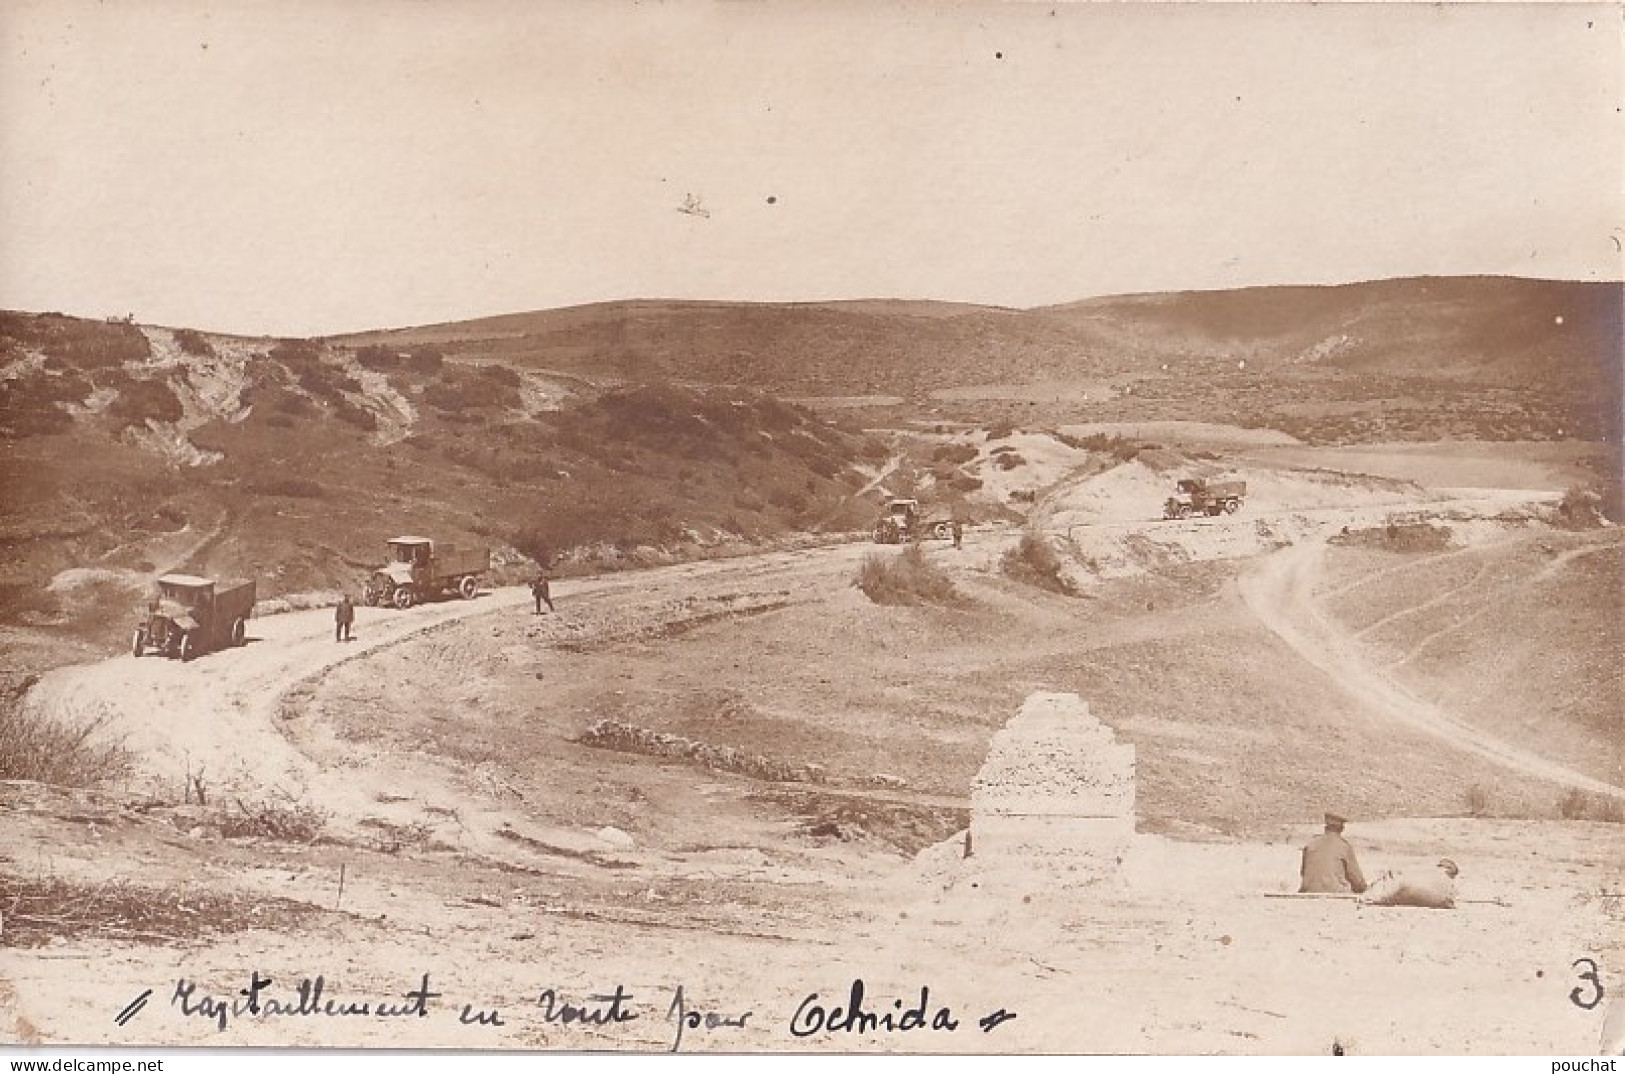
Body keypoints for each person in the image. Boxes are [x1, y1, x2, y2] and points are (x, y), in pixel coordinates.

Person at [1299, 811, 1368, 894]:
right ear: (1342, 828)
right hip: (1337, 895)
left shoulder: (1311, 845)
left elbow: (1303, 873)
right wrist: (1364, 889)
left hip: (1309, 894)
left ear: (1325, 827)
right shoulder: (1344, 847)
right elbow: (1357, 881)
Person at [1360, 857, 1459, 909]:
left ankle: (1370, 896)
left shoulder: (1432, 874)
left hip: (1399, 885)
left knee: (1395, 880)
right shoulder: (1450, 891)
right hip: (1406, 890)